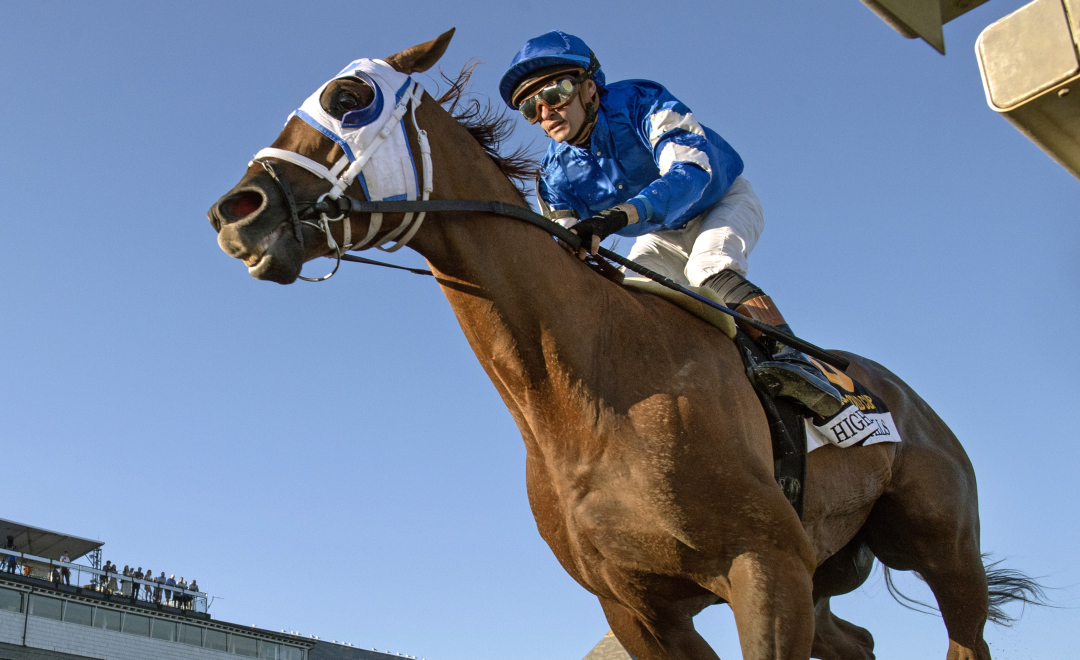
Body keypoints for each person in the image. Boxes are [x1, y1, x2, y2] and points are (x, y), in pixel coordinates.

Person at [499, 31, 844, 418]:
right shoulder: (552, 175)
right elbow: (563, 247)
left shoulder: (642, 101)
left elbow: (690, 171)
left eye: (554, 93)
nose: (546, 113)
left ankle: (795, 361)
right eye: (530, 108)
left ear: (589, 88)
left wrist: (620, 215)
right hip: (660, 235)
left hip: (721, 201)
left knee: (707, 266)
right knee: (632, 296)